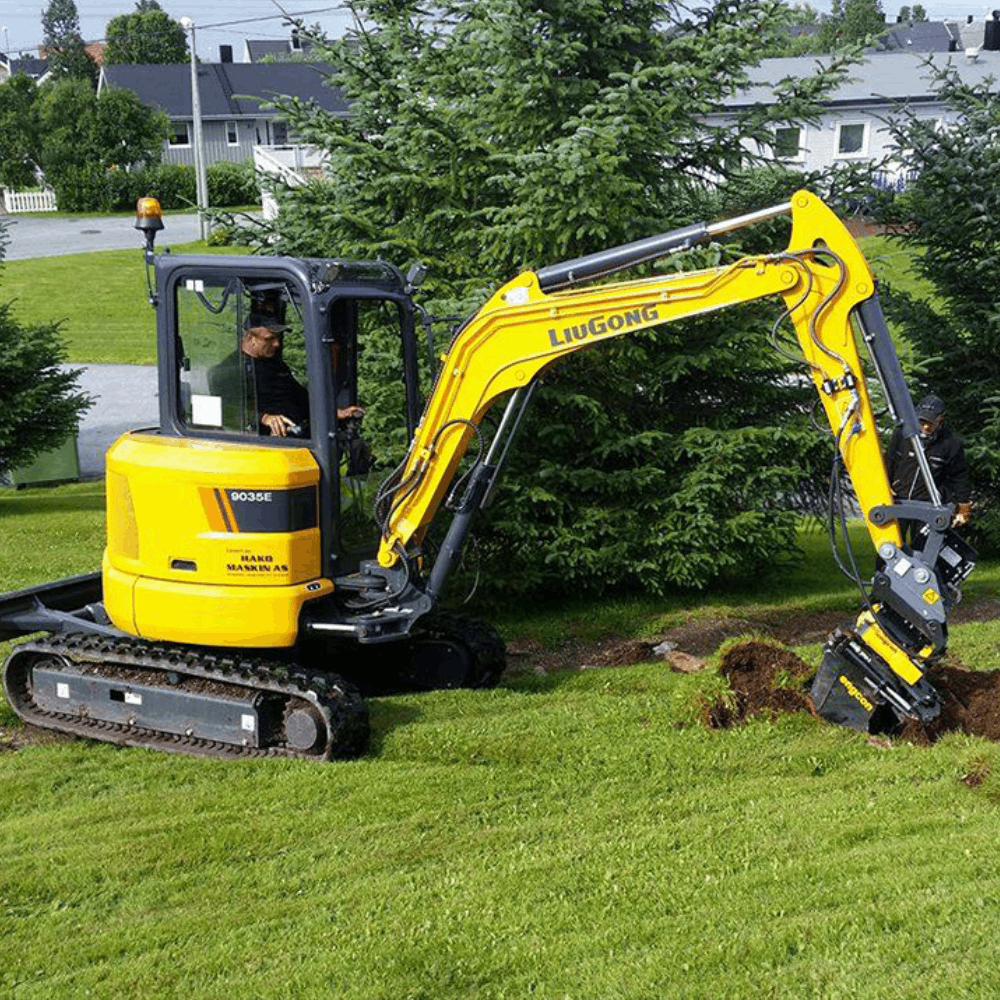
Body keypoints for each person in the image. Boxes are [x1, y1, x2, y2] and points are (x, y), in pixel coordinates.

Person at [885, 393, 971, 542]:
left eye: (930, 422)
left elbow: (959, 475)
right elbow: (889, 460)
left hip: (928, 504)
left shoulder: (950, 443)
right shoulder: (901, 433)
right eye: (922, 421)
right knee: (890, 545)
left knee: (922, 548)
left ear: (940, 419)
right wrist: (884, 483)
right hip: (898, 499)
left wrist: (963, 507)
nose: (925, 426)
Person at [208, 314, 309, 437]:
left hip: (298, 431)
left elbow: (299, 396)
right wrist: (263, 418)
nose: (277, 344)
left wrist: (330, 411)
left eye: (278, 338)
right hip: (261, 440)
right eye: (269, 339)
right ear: (251, 338)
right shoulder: (229, 371)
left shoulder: (275, 365)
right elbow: (225, 411)